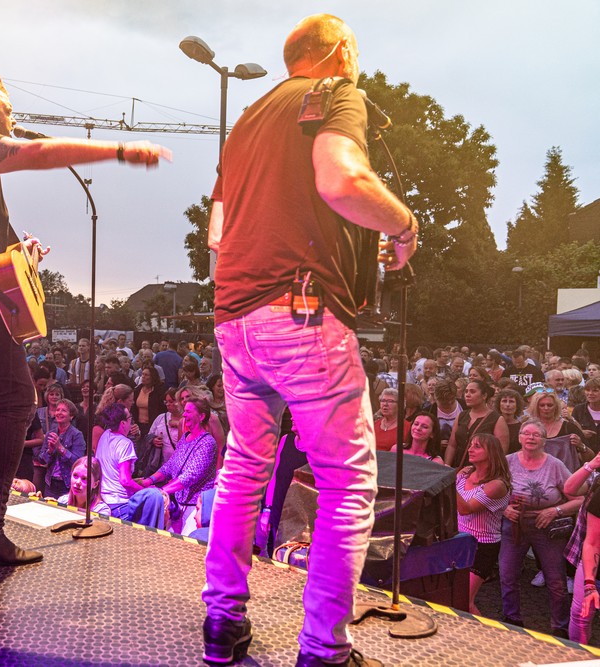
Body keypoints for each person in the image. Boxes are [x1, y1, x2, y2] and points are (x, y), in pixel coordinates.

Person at [201, 13, 418, 667]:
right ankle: (324, 649)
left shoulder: (246, 121)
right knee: (348, 482)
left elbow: (217, 235)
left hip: (234, 315)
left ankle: (222, 624)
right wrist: (403, 224)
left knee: (244, 466)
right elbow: (341, 179)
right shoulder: (335, 94)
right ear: (342, 50)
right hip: (300, 312)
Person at [0, 71, 169, 565]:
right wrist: (118, 150)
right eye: (7, 111)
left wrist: (21, 253)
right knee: (18, 403)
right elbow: (37, 153)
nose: (13, 120)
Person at [500, 419, 578, 636]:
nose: (531, 437)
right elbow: (488, 491)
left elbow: (580, 499)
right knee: (507, 574)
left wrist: (555, 511)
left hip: (546, 527)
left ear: (544, 440)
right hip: (514, 526)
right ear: (519, 437)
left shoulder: (555, 465)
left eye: (536, 434)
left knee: (556, 580)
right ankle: (512, 619)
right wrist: (504, 508)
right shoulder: (506, 462)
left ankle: (560, 627)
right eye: (526, 433)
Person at [138, 396, 219, 534]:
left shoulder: (207, 443)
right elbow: (170, 466)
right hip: (178, 505)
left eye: (188, 411)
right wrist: (149, 480)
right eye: (184, 411)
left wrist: (162, 491)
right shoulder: (185, 438)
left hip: (194, 508)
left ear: (201, 416)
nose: (184, 415)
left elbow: (190, 476)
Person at [455, 433, 511, 615]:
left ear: (492, 453)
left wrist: (446, 480)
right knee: (454, 597)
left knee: (464, 600)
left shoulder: (497, 485)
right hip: (459, 541)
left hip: (482, 546)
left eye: (477, 446)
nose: (470, 449)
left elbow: (466, 509)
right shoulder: (466, 474)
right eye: (471, 445)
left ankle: (484, 632)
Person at [563, 449, 600, 644]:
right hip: (591, 559)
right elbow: (569, 489)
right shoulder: (597, 480)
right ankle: (579, 655)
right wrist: (592, 464)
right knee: (580, 614)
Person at [444, 381, 508, 468]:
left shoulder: (497, 419)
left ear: (484, 396)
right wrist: (447, 465)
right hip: (458, 469)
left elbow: (500, 452)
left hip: (482, 470)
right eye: (466, 391)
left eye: (472, 391)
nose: (467, 395)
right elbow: (452, 445)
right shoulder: (461, 416)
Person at [38, 399, 86, 498]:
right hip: (50, 484)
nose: (59, 413)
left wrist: (60, 447)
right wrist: (49, 451)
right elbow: (41, 460)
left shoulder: (77, 435)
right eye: (57, 410)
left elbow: (77, 462)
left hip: (67, 485)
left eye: (63, 410)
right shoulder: (50, 434)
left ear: (71, 416)